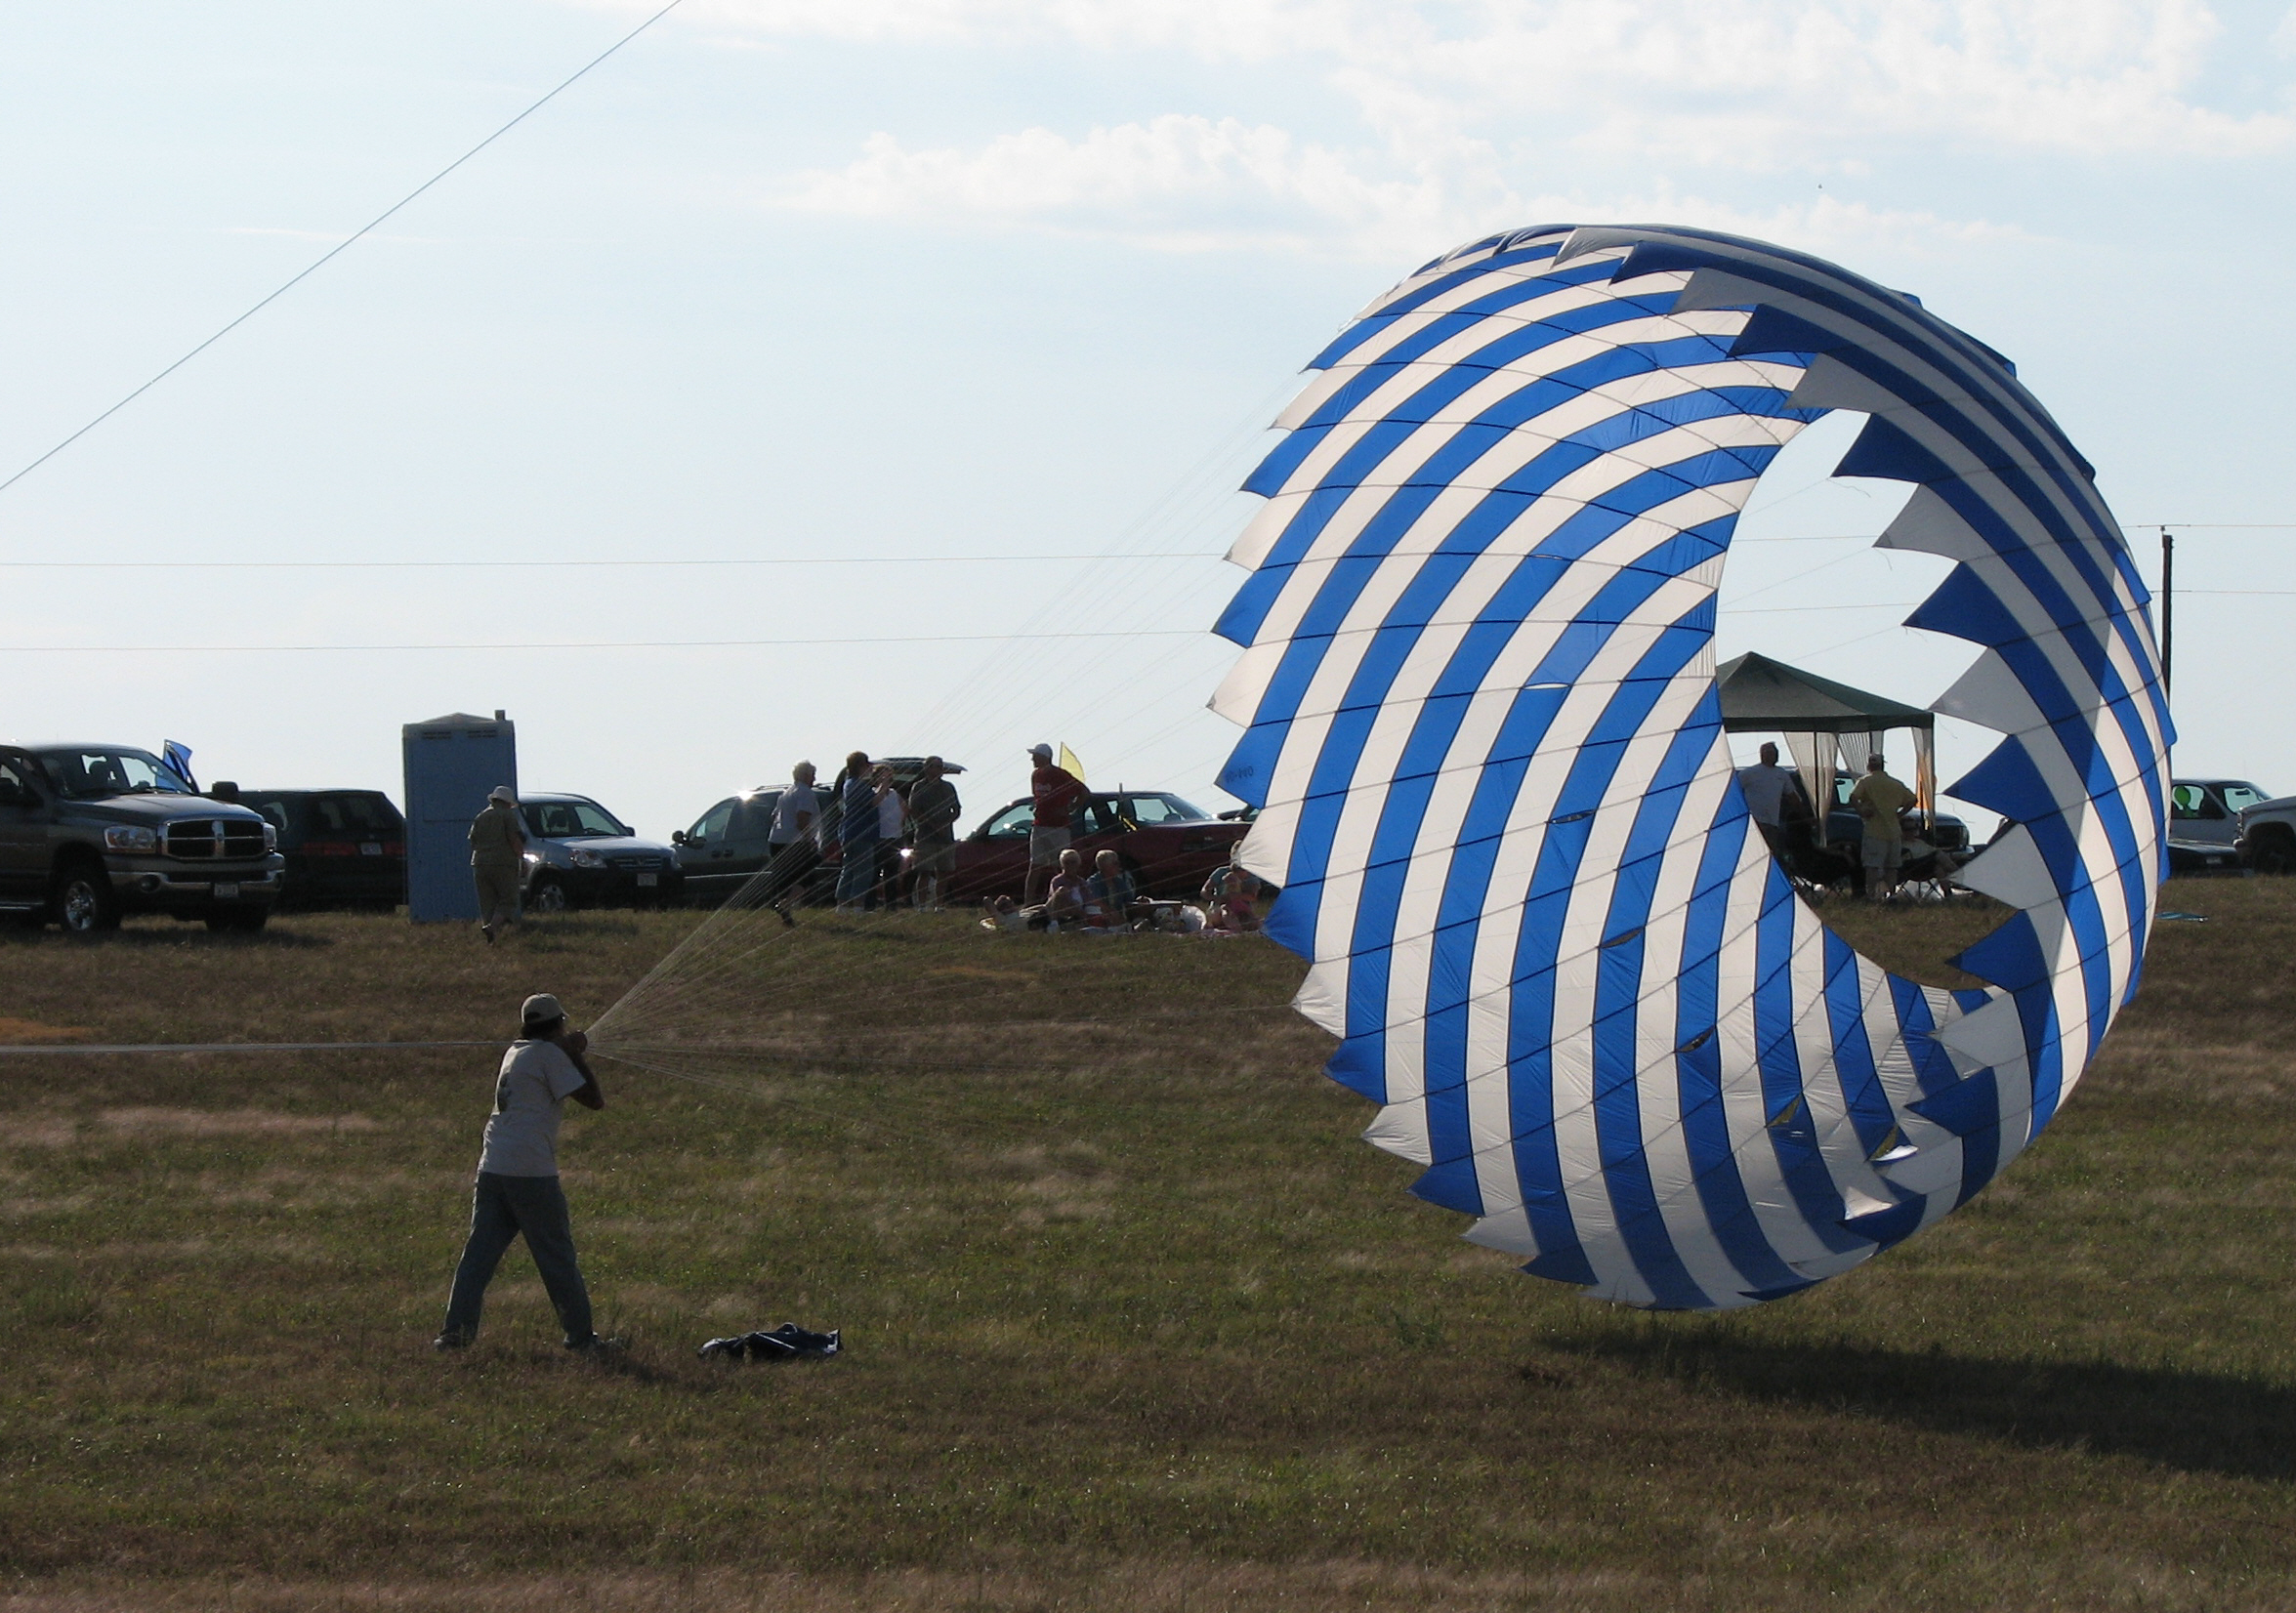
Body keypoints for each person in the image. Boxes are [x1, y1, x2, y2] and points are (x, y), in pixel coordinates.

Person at [436, 994, 617, 1353]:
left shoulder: (515, 1052)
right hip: (530, 1172)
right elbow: (594, 1100)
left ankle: (454, 1335)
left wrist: (564, 1049)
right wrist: (573, 1053)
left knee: (478, 1258)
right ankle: (581, 1339)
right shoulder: (550, 1054)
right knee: (557, 1257)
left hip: (493, 1167)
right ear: (558, 1023)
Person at [1023, 743, 1089, 906]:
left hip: (1058, 828)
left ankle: (1064, 901)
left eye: (1035, 755)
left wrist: (1070, 808)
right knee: (1035, 865)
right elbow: (1037, 797)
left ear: (1043, 757)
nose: (1032, 759)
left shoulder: (1059, 775)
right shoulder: (1035, 775)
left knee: (1061, 866)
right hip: (1039, 825)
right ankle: (1028, 903)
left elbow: (1083, 792)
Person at [762, 762, 823, 927]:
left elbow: (774, 816)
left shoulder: (786, 793)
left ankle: (784, 908)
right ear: (804, 776)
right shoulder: (806, 793)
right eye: (812, 774)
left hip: (777, 840)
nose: (814, 778)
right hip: (795, 842)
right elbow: (802, 818)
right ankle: (785, 904)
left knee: (786, 878)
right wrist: (810, 839)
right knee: (807, 878)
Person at [1848, 753, 1917, 900]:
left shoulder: (1865, 781)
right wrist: (1900, 814)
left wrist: (1861, 812)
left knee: (1872, 866)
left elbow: (1853, 797)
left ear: (1869, 766)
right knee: (1892, 867)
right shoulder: (1895, 783)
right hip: (1893, 830)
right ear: (1882, 765)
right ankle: (1891, 894)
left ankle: (1871, 894)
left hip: (1874, 830)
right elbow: (1913, 799)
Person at [468, 785, 526, 943]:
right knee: (508, 899)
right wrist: (521, 857)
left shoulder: (481, 817)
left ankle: (492, 939)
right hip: (503, 863)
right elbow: (514, 839)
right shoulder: (507, 816)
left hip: (479, 863)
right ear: (508, 802)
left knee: (487, 902)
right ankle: (492, 927)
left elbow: (472, 841)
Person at [906, 757, 962, 910]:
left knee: (944, 872)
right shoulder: (918, 787)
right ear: (926, 768)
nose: (937, 769)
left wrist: (947, 823)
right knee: (924, 872)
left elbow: (956, 809)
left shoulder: (948, 787)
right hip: (925, 837)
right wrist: (932, 824)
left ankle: (939, 905)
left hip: (945, 838)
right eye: (933, 766)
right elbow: (914, 810)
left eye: (939, 766)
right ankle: (922, 906)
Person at [834, 752, 885, 914]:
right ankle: (858, 906)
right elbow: (874, 801)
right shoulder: (857, 785)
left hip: (850, 833)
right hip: (860, 834)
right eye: (866, 764)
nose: (869, 767)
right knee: (863, 870)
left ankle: (842, 906)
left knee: (849, 869)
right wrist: (883, 785)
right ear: (860, 766)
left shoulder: (850, 783)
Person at [1736, 743, 1809, 853]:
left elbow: (1792, 796)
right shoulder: (1748, 773)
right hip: (1754, 822)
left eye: (1774, 753)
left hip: (1772, 822)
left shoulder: (1781, 774)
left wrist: (1804, 816)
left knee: (1771, 851)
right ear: (1762, 755)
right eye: (1768, 753)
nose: (1772, 756)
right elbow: (1735, 792)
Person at [1085, 848, 1146, 932]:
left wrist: (1138, 901)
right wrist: (1110, 911)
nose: (1119, 866)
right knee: (1112, 915)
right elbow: (1095, 900)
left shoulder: (1119, 882)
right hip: (1102, 916)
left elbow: (1129, 900)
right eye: (1115, 863)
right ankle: (1130, 929)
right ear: (1105, 866)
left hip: (1117, 918)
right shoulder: (1093, 882)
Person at [872, 763, 905, 909]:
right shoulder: (874, 792)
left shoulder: (894, 793)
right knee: (874, 872)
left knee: (891, 874)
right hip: (880, 837)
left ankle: (891, 904)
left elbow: (905, 808)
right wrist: (882, 786)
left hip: (895, 836)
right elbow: (875, 802)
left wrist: (900, 823)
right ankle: (870, 903)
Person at [1043, 847, 1091, 930]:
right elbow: (1059, 901)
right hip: (1060, 911)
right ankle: (1054, 924)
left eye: (1073, 862)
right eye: (1066, 862)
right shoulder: (1057, 881)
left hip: (1078, 914)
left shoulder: (1082, 882)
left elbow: (1088, 900)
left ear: (1078, 864)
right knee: (1062, 891)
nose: (1070, 865)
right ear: (1062, 864)